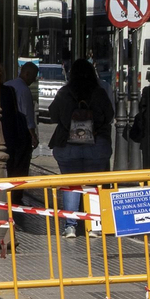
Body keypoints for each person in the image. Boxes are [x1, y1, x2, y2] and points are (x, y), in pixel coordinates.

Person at [47, 58, 116, 237]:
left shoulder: (64, 92)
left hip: (68, 146)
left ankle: (70, 226)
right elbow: (109, 115)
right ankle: (93, 224)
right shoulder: (99, 92)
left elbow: (53, 114)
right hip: (96, 144)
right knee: (93, 184)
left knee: (72, 184)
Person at [4, 63, 39, 176]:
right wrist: (33, 135)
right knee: (19, 167)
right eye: (33, 76)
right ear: (27, 74)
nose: (34, 80)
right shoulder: (24, 90)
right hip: (20, 133)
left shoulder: (8, 84)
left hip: (7, 130)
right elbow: (27, 115)